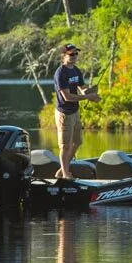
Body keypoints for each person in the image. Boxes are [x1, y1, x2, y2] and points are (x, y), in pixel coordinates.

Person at [51, 44, 96, 179]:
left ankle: (61, 170)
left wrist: (90, 92)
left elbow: (82, 87)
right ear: (64, 56)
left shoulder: (76, 70)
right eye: (71, 54)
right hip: (64, 113)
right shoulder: (61, 73)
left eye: (76, 53)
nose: (75, 56)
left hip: (75, 112)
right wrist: (88, 97)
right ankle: (65, 174)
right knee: (65, 146)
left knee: (77, 142)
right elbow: (68, 97)